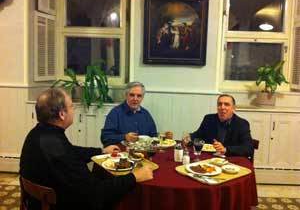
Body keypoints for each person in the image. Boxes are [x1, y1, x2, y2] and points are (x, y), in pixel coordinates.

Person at [20, 88, 153, 210]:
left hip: (35, 201)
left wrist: (101, 151)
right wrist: (134, 177)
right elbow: (95, 192)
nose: (74, 110)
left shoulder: (38, 133)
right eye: (72, 106)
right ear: (62, 114)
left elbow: (71, 150)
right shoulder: (57, 150)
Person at [184, 94, 254, 157]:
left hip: (230, 160)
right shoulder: (208, 119)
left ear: (233, 108)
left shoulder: (242, 124)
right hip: (209, 158)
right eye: (219, 104)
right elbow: (198, 135)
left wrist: (225, 149)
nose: (222, 107)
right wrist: (188, 138)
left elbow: (249, 149)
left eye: (226, 104)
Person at [101, 82, 157, 147]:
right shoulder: (115, 113)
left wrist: (165, 138)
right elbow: (105, 138)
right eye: (132, 95)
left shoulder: (146, 114)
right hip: (122, 153)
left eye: (139, 96)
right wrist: (124, 137)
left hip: (143, 153)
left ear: (142, 98)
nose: (135, 99)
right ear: (126, 95)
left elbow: (154, 136)